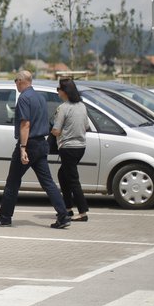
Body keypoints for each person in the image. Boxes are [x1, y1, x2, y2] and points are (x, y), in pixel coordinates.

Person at [0, 70, 72, 229]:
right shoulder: (40, 97)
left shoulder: (24, 98)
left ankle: (4, 217)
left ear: (20, 81)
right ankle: (63, 215)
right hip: (41, 144)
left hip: (29, 144)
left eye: (15, 80)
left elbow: (25, 124)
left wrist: (23, 148)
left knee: (12, 181)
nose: (15, 83)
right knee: (48, 183)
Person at [51, 78, 89, 222]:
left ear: (65, 91)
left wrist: (51, 131)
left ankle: (82, 212)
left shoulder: (63, 108)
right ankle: (67, 208)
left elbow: (56, 130)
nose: (58, 92)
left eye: (58, 89)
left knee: (73, 180)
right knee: (63, 175)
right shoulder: (82, 106)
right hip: (81, 147)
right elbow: (86, 126)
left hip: (68, 148)